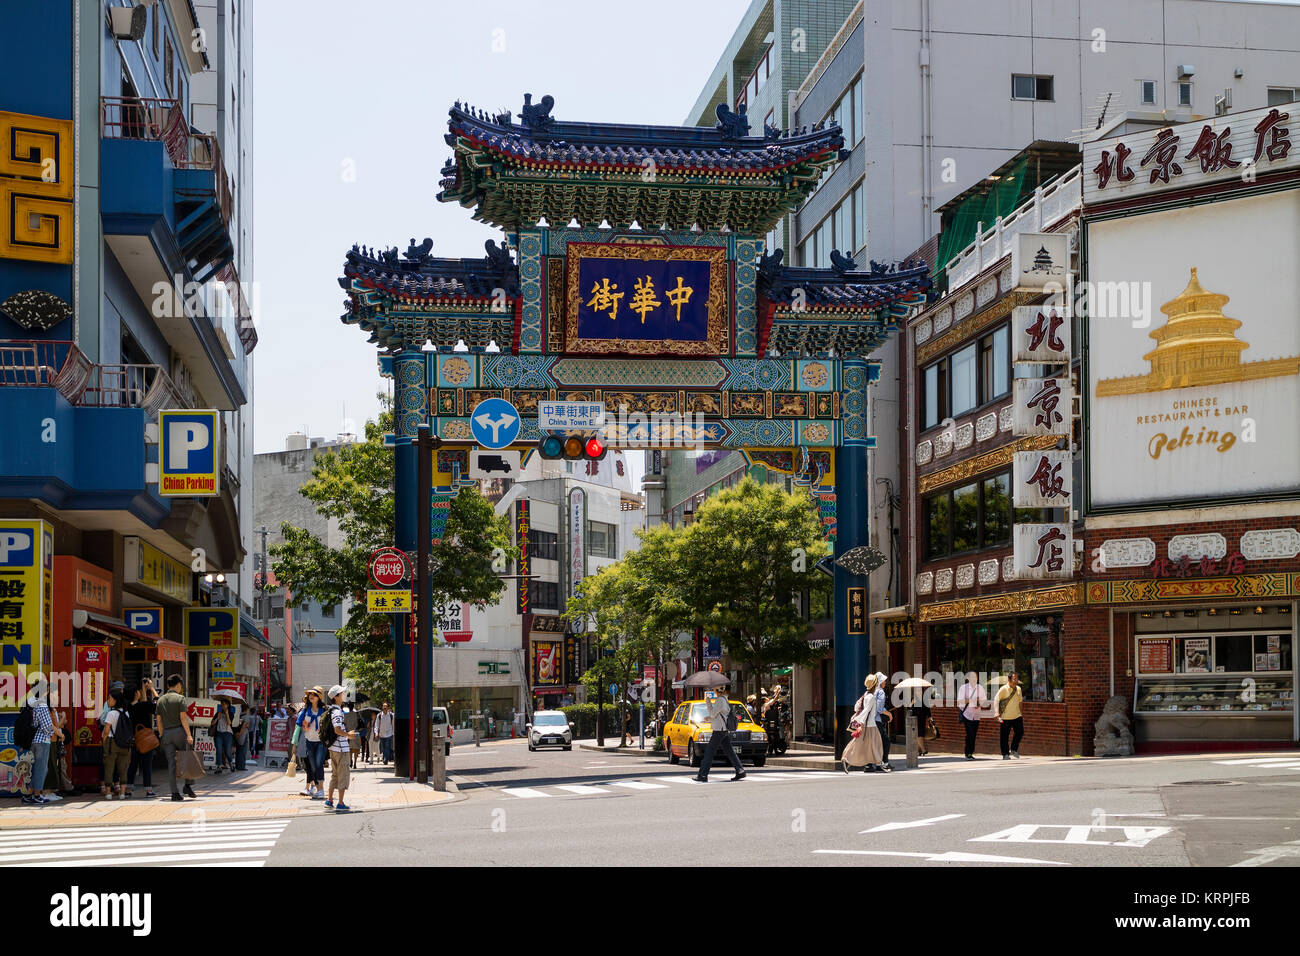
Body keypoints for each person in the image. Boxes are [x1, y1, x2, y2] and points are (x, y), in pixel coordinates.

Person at [155, 674, 197, 802]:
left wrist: (162, 735)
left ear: (168, 685)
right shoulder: (180, 698)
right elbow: (183, 718)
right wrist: (189, 735)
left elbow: (158, 721)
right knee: (188, 758)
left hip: (167, 734)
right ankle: (188, 786)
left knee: (171, 765)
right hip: (179, 732)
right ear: (178, 685)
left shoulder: (161, 700)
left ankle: (174, 793)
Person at [21, 679, 62, 805]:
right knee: (41, 769)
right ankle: (37, 795)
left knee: (37, 768)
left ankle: (28, 794)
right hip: (42, 740)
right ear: (46, 691)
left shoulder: (28, 702)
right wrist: (53, 734)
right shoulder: (42, 704)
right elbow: (47, 725)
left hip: (31, 740)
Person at [693, 687, 746, 783]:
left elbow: (713, 714)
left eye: (714, 690)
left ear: (718, 691)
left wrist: (708, 702)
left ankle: (703, 775)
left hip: (719, 730)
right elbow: (719, 715)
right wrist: (709, 718)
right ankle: (740, 770)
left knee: (709, 751)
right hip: (723, 729)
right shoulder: (725, 699)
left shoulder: (720, 700)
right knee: (729, 751)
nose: (713, 691)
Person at [324, 685, 357, 811]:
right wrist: (348, 735)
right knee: (343, 775)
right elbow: (337, 729)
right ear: (336, 696)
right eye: (342, 693)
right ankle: (341, 802)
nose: (344, 695)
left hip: (333, 748)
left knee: (335, 775)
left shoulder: (331, 710)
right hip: (341, 749)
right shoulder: (337, 712)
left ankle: (329, 800)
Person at [841, 675, 884, 773]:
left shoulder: (865, 695)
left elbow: (857, 708)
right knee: (877, 744)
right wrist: (860, 723)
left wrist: (859, 722)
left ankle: (847, 758)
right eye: (877, 682)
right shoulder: (872, 697)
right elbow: (866, 711)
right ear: (875, 684)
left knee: (860, 744)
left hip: (866, 724)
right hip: (870, 725)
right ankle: (878, 764)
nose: (878, 684)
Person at [126, 681, 158, 798]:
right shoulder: (143, 706)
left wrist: (144, 691)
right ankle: (148, 790)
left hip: (134, 739)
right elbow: (157, 704)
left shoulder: (127, 708)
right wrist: (152, 689)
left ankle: (128, 789)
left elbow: (143, 704)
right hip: (146, 739)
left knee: (133, 764)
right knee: (147, 764)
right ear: (135, 694)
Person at [295, 687, 328, 799]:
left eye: (314, 694)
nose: (311, 696)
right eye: (310, 694)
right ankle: (316, 787)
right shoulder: (305, 711)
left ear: (319, 697)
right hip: (309, 741)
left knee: (319, 764)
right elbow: (300, 725)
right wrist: (305, 725)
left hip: (320, 742)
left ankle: (321, 789)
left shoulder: (324, 711)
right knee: (313, 766)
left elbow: (328, 725)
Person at [101, 687, 134, 799]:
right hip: (124, 744)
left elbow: (106, 730)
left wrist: (104, 741)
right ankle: (122, 793)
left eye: (110, 698)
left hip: (111, 742)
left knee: (109, 767)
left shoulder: (111, 714)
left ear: (115, 700)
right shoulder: (126, 713)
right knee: (122, 768)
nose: (108, 701)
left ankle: (108, 792)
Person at [956, 672, 987, 760]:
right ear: (968, 678)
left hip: (976, 714)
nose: (974, 679)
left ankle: (970, 751)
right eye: (972, 677)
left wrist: (979, 704)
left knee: (974, 734)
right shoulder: (964, 687)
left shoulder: (979, 687)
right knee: (970, 733)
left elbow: (983, 700)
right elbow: (960, 701)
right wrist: (971, 700)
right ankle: (968, 752)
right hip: (967, 714)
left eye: (975, 677)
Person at [996, 672, 1025, 759]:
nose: (1016, 680)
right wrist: (996, 713)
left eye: (1017, 678)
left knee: (1020, 732)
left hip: (1017, 716)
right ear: (1009, 680)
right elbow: (996, 700)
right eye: (1014, 679)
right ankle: (1005, 754)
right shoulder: (1003, 689)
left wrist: (1021, 714)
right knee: (1004, 736)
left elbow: (1020, 702)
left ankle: (1013, 749)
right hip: (1005, 717)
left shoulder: (1019, 689)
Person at [873, 673, 893, 772]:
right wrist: (889, 714)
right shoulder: (880, 692)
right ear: (880, 682)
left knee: (875, 743)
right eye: (884, 680)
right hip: (877, 721)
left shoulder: (872, 691)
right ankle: (884, 762)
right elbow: (880, 709)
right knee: (885, 742)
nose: (885, 682)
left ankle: (875, 764)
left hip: (871, 721)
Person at [212, 697, 236, 773]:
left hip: (228, 734)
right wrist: (217, 718)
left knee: (227, 751)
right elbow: (212, 723)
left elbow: (229, 723)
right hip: (219, 734)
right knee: (218, 750)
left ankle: (231, 764)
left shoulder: (231, 714)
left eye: (224, 704)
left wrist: (227, 714)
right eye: (221, 704)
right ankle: (219, 766)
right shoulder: (218, 713)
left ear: (228, 705)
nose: (222, 705)